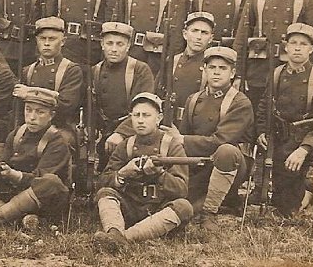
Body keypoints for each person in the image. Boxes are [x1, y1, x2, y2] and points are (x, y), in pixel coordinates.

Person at [256, 23, 313, 239]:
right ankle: (310, 192)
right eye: (293, 43)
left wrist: (304, 148)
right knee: (287, 208)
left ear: (312, 48)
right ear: (286, 47)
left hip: (312, 142)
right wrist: (262, 131)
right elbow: (264, 107)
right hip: (284, 142)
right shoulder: (275, 75)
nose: (298, 48)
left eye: (304, 44)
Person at [166, 46, 254, 233]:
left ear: (232, 73)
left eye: (223, 68)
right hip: (199, 166)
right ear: (204, 70)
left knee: (226, 151)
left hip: (229, 166)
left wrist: (182, 140)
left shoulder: (239, 102)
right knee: (182, 207)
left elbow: (221, 140)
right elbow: (183, 144)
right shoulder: (193, 99)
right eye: (212, 67)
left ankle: (209, 212)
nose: (216, 72)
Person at [0, 86, 70, 229]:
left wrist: (14, 175)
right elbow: (3, 164)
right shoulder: (17, 134)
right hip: (15, 194)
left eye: (40, 112)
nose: (32, 117)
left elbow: (42, 179)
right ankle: (16, 219)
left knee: (50, 182)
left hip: (40, 197)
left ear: (51, 115)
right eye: (28, 110)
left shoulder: (57, 141)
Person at [93, 92, 193, 251]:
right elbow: (102, 181)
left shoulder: (171, 146)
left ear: (158, 118)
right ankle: (114, 231)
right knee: (105, 193)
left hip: (158, 209)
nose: (140, 120)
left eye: (146, 115)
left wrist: (160, 175)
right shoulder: (125, 146)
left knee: (184, 207)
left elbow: (181, 189)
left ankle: (122, 239)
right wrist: (123, 173)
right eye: (136, 115)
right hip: (130, 207)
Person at [234, 0, 313, 111]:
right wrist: (238, 74)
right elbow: (241, 40)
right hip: (257, 74)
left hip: (292, 73)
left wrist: (310, 78)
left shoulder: (307, 0)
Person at [92, 22, 155, 165]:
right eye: (109, 43)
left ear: (128, 46)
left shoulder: (140, 70)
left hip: (132, 132)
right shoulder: (95, 70)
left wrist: (121, 133)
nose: (114, 49)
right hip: (103, 133)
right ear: (102, 44)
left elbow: (144, 108)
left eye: (120, 44)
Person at [16, 17, 83, 133]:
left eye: (52, 39)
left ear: (62, 41)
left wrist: (29, 93)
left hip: (59, 128)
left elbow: (66, 105)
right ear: (37, 40)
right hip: (30, 126)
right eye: (42, 38)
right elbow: (18, 109)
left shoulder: (71, 70)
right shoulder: (28, 70)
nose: (46, 43)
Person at [158, 12, 215, 126]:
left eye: (204, 33)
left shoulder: (212, 66)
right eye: (194, 31)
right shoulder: (172, 61)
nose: (199, 37)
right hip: (168, 121)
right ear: (185, 34)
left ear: (211, 38)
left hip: (196, 124)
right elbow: (157, 93)